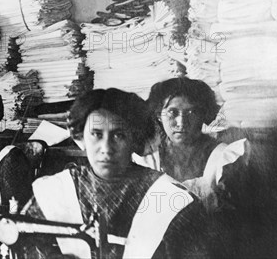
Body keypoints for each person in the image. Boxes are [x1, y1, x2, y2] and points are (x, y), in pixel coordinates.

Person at [18, 88, 210, 258]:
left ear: (135, 140)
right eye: (96, 134)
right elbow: (26, 244)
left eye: (119, 135)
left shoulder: (170, 199)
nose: (106, 148)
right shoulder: (58, 191)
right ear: (80, 138)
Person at [133, 77, 228, 212]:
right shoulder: (147, 159)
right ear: (159, 115)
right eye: (173, 112)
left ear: (203, 115)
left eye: (192, 112)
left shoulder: (222, 156)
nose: (182, 122)